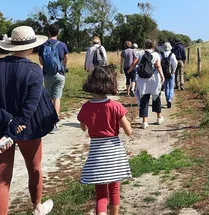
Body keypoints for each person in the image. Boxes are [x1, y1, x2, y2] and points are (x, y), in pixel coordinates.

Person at [0, 25, 58, 215]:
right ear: (32, 47)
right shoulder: (34, 70)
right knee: (34, 168)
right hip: (27, 126)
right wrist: (16, 124)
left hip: (2, 127)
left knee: (2, 180)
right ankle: (37, 206)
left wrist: (8, 123)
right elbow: (30, 105)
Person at [77, 65, 132, 215]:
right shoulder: (115, 106)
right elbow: (129, 131)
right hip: (114, 152)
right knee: (114, 190)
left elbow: (83, 127)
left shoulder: (85, 108)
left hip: (97, 153)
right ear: (110, 83)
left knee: (101, 194)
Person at [38, 23, 69, 133]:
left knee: (49, 99)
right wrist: (64, 68)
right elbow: (66, 58)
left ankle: (48, 122)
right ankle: (54, 124)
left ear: (48, 32)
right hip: (59, 74)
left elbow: (41, 60)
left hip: (47, 75)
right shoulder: (62, 45)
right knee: (57, 99)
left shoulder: (42, 45)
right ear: (58, 32)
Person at [127, 39, 165, 129]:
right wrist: (162, 76)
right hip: (154, 78)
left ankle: (145, 121)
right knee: (156, 97)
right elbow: (158, 66)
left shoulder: (140, 54)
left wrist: (129, 70)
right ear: (153, 46)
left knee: (144, 99)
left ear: (145, 46)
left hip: (142, 79)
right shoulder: (156, 54)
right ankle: (159, 117)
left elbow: (134, 63)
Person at [160, 42, 177, 108]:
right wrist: (173, 71)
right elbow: (175, 64)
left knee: (166, 87)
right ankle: (170, 99)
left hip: (163, 73)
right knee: (171, 87)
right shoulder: (172, 55)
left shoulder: (160, 54)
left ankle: (167, 99)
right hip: (170, 73)